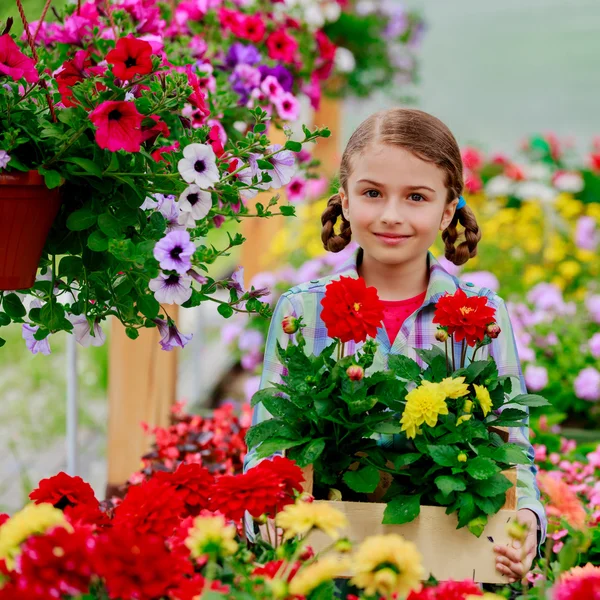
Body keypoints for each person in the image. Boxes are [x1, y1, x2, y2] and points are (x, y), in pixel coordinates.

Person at [244, 108, 547, 582]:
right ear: (343, 200)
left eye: (416, 197)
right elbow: (271, 436)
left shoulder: (480, 313)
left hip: (447, 555)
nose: (391, 215)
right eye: (371, 193)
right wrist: (264, 510)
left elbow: (512, 447)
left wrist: (525, 519)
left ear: (447, 210)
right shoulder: (302, 310)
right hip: (328, 557)